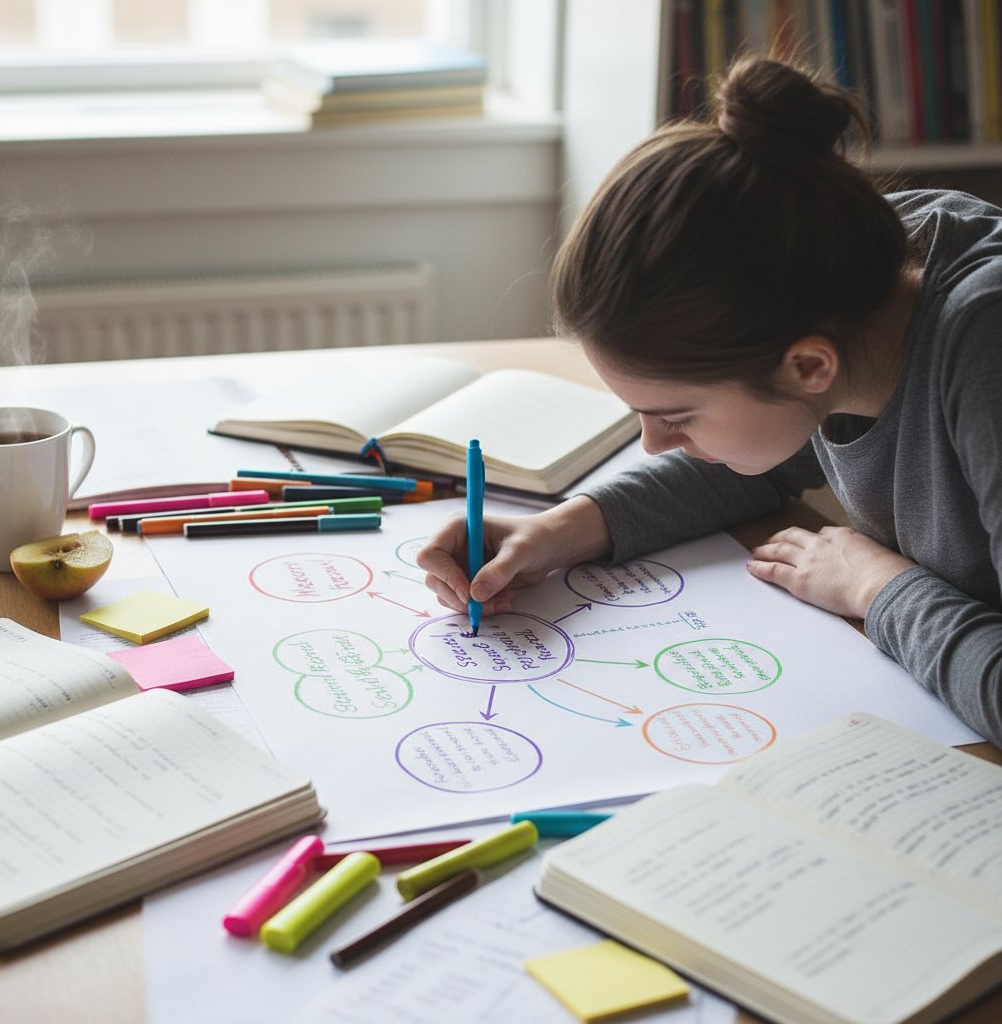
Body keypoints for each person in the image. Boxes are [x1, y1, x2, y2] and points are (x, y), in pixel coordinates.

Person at [417, 54, 1002, 746]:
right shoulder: (833, 274)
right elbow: (768, 450)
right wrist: (562, 528)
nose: (652, 445)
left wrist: (876, 588)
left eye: (676, 417)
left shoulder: (982, 351)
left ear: (809, 365)